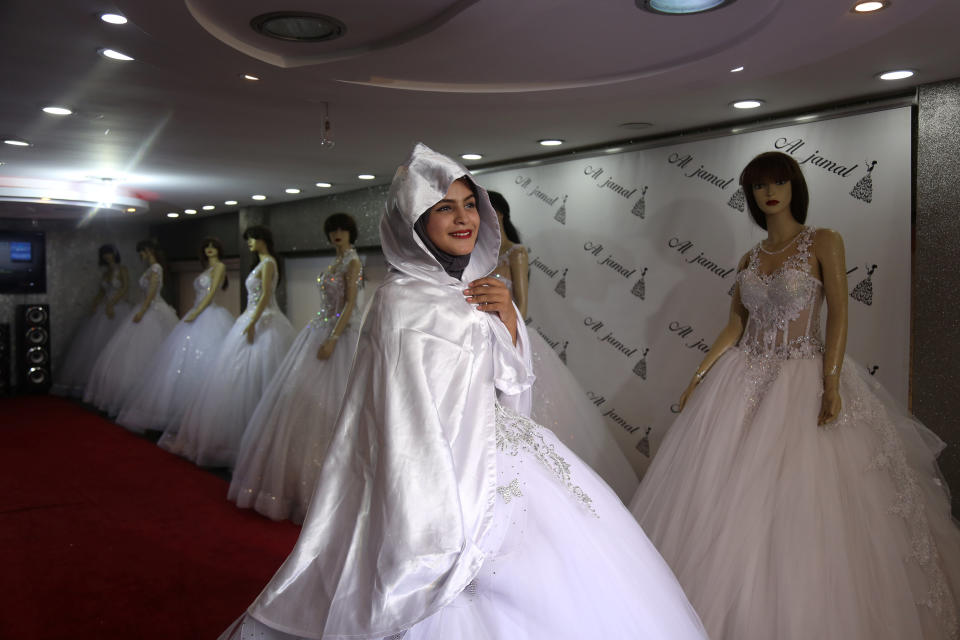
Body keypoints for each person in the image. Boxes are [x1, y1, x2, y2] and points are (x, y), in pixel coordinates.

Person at [218, 143, 707, 640]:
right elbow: (402, 415)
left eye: (470, 205)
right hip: (437, 473)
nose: (463, 218)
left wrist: (509, 321)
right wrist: (434, 515)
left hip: (503, 454)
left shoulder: (479, 288)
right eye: (444, 207)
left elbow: (512, 384)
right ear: (416, 220)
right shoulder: (397, 301)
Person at [630, 151, 960, 640]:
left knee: (809, 496)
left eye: (778, 181)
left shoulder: (824, 241)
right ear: (751, 195)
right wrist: (700, 373)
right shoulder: (750, 259)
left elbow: (841, 316)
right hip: (743, 381)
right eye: (760, 185)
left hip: (803, 375)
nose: (770, 192)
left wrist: (830, 381)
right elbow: (735, 326)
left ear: (792, 186)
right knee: (731, 497)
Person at [488, 190, 638, 501]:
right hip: (485, 343)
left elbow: (522, 308)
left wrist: (506, 334)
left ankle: (548, 494)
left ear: (500, 214)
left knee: (531, 415)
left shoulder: (515, 252)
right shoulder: (476, 258)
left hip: (513, 340)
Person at [228, 214, 364, 523]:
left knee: (333, 405)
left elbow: (351, 305)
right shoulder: (336, 262)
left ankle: (336, 488)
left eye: (342, 230)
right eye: (332, 231)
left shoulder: (353, 263)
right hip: (318, 329)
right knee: (300, 404)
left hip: (338, 336)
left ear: (351, 233)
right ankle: (295, 482)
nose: (337, 235)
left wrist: (333, 338)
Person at [162, 226, 295, 468]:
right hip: (252, 317)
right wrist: (246, 317)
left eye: (252, 239)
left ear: (263, 239)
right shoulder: (261, 263)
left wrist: (253, 321)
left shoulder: (268, 263)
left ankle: (258, 435)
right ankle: (241, 434)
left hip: (265, 320)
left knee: (258, 374)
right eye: (249, 240)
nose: (250, 243)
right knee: (237, 374)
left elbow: (266, 295)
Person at [118, 238, 234, 434]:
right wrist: (195, 312)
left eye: (213, 246)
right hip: (196, 313)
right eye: (206, 247)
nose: (209, 250)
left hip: (207, 314)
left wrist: (197, 312)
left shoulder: (220, 267)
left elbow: (212, 291)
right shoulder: (206, 269)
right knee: (179, 361)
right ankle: (181, 414)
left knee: (206, 360)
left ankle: (204, 415)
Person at [83, 240, 177, 414]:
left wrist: (142, 310)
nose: (140, 255)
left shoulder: (156, 268)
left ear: (148, 251)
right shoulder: (151, 269)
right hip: (146, 306)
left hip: (153, 309)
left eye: (141, 252)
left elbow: (152, 293)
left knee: (149, 348)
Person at [52, 244, 131, 397]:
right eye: (104, 254)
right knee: (95, 346)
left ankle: (114, 385)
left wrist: (112, 304)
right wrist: (95, 304)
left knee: (116, 345)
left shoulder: (122, 269)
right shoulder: (106, 272)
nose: (107, 257)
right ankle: (94, 384)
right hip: (104, 309)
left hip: (118, 308)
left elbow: (125, 288)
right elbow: (102, 292)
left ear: (115, 254)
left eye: (109, 253)